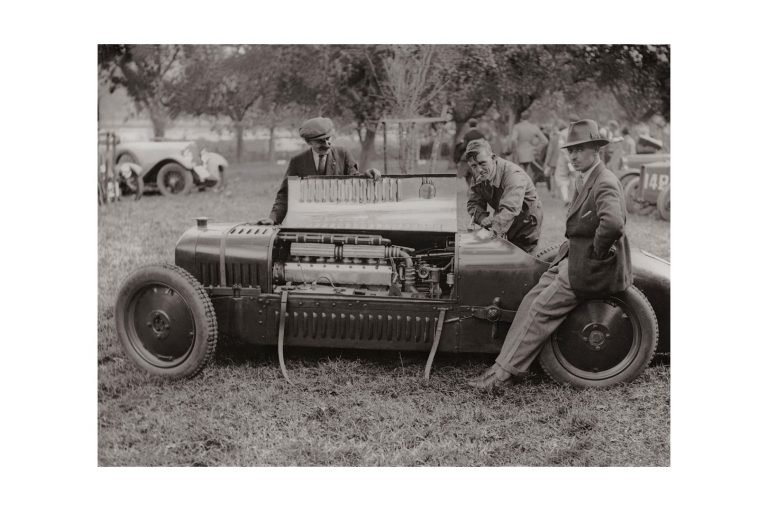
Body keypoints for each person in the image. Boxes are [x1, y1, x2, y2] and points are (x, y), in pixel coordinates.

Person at [468, 119, 632, 389]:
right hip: (572, 257)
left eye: (580, 150)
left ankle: (503, 375)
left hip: (591, 267)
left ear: (596, 150)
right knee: (529, 300)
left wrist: (594, 254)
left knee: (540, 310)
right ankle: (502, 362)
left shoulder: (604, 181)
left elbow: (613, 224)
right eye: (571, 150)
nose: (573, 156)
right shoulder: (586, 179)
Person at [257, 117, 380, 225]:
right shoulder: (297, 162)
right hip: (309, 221)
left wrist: (367, 176)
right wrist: (273, 218)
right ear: (308, 142)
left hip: (339, 220)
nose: (327, 144)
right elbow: (285, 194)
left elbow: (354, 181)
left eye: (328, 138)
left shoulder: (343, 154)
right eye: (320, 141)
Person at [465, 139, 543, 254]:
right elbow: (473, 203)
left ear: (493, 158)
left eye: (482, 163)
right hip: (503, 216)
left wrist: (493, 233)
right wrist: (482, 218)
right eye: (474, 166)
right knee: (505, 255)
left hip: (526, 219)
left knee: (524, 258)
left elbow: (510, 209)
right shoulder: (479, 176)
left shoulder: (513, 175)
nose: (479, 170)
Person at [510, 111, 547, 184]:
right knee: (529, 174)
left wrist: (514, 149)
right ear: (529, 118)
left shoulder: (517, 127)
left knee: (519, 174)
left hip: (519, 153)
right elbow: (545, 141)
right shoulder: (533, 127)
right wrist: (537, 149)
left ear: (521, 118)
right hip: (530, 153)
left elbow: (513, 139)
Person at [453, 118, 486, 186]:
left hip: (469, 156)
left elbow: (463, 146)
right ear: (476, 125)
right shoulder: (481, 134)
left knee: (466, 171)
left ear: (469, 125)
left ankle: (470, 184)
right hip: (480, 156)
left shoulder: (468, 134)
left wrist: (459, 146)